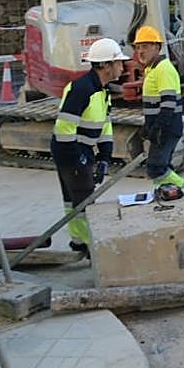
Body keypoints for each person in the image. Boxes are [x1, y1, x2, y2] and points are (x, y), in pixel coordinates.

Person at [51, 37, 127, 256]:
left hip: (81, 151)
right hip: (69, 151)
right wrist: (79, 161)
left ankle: (78, 242)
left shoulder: (102, 91)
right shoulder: (81, 89)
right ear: (104, 65)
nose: (122, 67)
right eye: (118, 63)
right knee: (84, 201)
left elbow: (105, 126)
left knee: (75, 199)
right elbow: (64, 129)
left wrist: (104, 157)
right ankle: (90, 246)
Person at [133, 25, 184, 188]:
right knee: (162, 165)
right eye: (138, 47)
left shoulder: (163, 69)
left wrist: (158, 127)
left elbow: (168, 103)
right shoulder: (152, 68)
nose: (140, 51)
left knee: (156, 167)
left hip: (167, 127)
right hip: (163, 126)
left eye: (145, 47)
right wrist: (148, 126)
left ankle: (182, 187)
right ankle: (168, 192)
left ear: (157, 47)